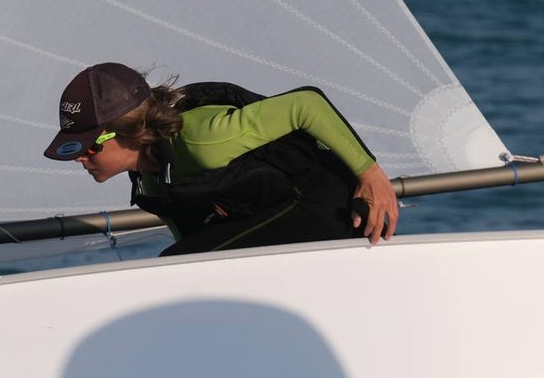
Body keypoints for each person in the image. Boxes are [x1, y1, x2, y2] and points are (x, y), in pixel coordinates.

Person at [44, 62, 398, 255]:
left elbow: (307, 104)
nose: (80, 158)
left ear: (131, 132)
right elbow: (189, 234)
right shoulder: (149, 179)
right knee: (183, 258)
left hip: (326, 203)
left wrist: (372, 177)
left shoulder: (205, 138)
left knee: (177, 264)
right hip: (276, 212)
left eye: (90, 147)